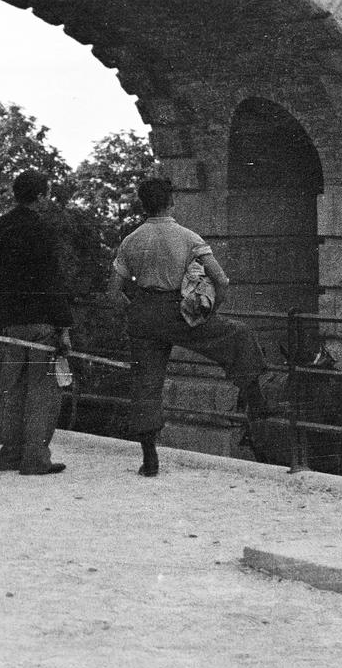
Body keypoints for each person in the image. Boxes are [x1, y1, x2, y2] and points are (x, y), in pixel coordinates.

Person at [110, 178, 267, 477]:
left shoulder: (131, 240)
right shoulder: (187, 236)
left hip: (144, 314)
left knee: (146, 384)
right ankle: (255, 401)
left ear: (143, 204)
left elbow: (113, 292)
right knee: (238, 334)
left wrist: (134, 311)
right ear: (171, 202)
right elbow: (221, 280)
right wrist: (211, 310)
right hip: (179, 312)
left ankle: (149, 459)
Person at [0, 169, 74, 475]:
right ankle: (35, 458)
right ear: (41, 195)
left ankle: (10, 455)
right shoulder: (43, 230)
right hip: (40, 323)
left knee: (11, 391)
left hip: (10, 323)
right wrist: (64, 328)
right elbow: (52, 281)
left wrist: (3, 315)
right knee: (42, 393)